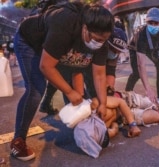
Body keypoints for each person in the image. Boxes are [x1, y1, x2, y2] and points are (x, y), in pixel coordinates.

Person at [11, 1, 114, 161]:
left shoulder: (100, 41)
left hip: (58, 50)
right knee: (36, 89)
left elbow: (98, 74)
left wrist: (102, 103)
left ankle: (82, 133)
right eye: (96, 39)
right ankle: (18, 141)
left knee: (80, 97)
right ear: (85, 28)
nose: (99, 44)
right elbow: (46, 66)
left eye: (103, 40)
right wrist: (69, 92)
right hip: (30, 42)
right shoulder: (65, 23)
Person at [39, 27, 128, 115]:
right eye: (113, 50)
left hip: (88, 65)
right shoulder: (92, 45)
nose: (115, 53)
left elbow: (110, 72)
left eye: (118, 51)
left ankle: (47, 101)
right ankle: (54, 104)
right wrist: (77, 95)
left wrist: (108, 91)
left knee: (98, 93)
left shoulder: (114, 53)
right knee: (72, 92)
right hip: (72, 63)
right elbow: (77, 71)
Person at [125, 7, 159, 104]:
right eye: (150, 23)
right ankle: (127, 91)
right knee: (137, 73)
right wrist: (148, 90)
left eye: (156, 23)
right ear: (146, 21)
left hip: (153, 47)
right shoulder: (141, 34)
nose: (153, 25)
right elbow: (141, 65)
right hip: (135, 48)